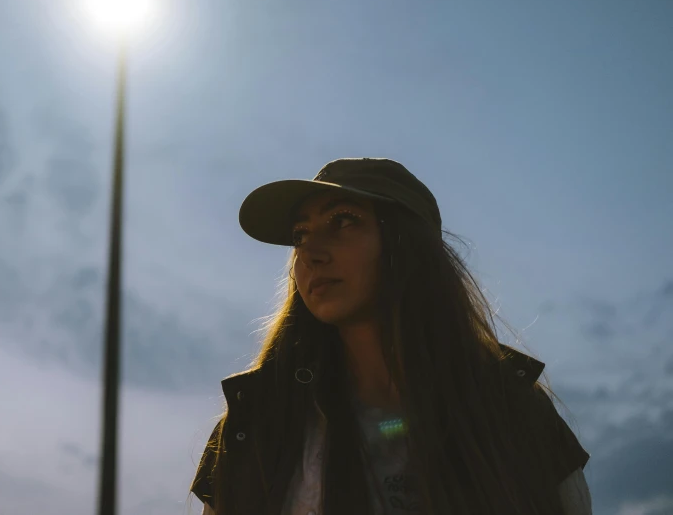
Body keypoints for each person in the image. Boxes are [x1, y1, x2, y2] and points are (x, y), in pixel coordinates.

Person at [189, 158, 592, 515]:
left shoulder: (511, 408)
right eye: (300, 234)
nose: (310, 251)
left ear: (406, 242)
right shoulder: (256, 421)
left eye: (343, 221)